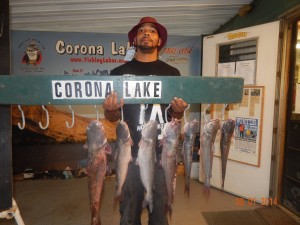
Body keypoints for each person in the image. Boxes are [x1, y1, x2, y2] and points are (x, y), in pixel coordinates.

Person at [103, 16, 188, 225]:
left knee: (159, 216)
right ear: (135, 40)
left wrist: (179, 112)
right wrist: (110, 110)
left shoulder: (172, 74)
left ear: (159, 40)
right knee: (129, 215)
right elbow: (112, 117)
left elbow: (175, 117)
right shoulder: (118, 74)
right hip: (129, 157)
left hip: (162, 156)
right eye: (142, 31)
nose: (147, 33)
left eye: (152, 31)